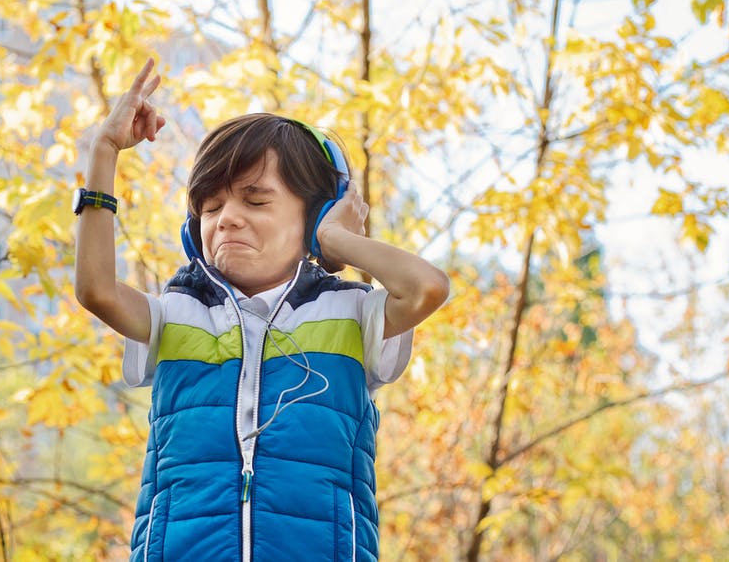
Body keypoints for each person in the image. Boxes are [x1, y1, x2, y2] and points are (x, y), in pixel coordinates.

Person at [74, 58, 449, 561]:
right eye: (210, 207)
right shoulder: (176, 313)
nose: (227, 219)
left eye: (255, 201)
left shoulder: (351, 313)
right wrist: (103, 151)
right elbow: (96, 289)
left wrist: (335, 239)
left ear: (314, 216)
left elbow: (427, 288)